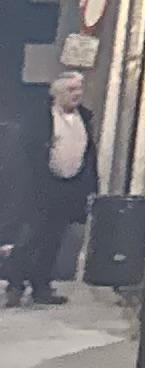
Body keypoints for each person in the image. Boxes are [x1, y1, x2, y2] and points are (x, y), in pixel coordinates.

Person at [3, 75, 97, 306]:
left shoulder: (84, 118)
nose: (77, 94)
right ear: (57, 93)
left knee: (53, 240)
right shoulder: (40, 118)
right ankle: (15, 284)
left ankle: (41, 286)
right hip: (41, 187)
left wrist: (89, 187)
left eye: (79, 89)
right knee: (31, 238)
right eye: (71, 89)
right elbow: (25, 154)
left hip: (69, 188)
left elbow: (89, 155)